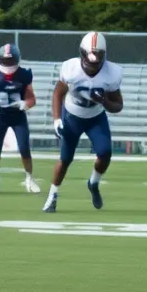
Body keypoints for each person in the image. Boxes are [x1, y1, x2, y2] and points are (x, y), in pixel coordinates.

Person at [43, 32, 124, 213]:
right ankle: (52, 196)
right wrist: (57, 120)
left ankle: (93, 183)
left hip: (95, 116)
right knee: (65, 159)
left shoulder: (112, 73)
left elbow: (118, 105)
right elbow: (58, 93)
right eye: (89, 62)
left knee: (105, 153)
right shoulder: (71, 68)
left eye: (96, 62)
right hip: (72, 115)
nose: (92, 67)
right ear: (82, 54)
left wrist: (104, 101)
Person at [0, 43, 40, 193]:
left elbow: (32, 99)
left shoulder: (24, 74)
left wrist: (24, 104)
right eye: (5, 61)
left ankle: (29, 178)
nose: (8, 65)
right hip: (0, 116)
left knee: (24, 148)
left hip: (18, 116)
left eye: (10, 61)